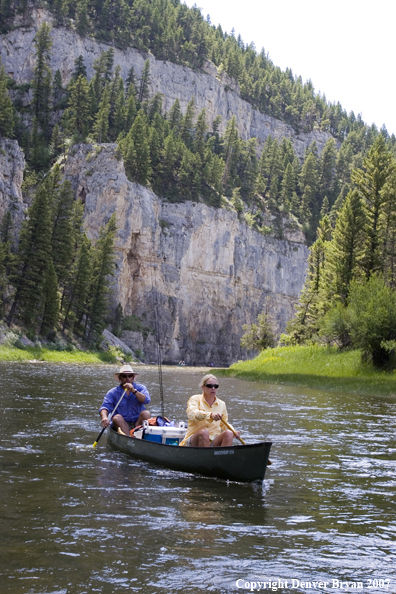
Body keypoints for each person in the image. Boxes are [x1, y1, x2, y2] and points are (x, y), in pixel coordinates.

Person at [179, 374, 240, 447]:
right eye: (209, 386)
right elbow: (192, 414)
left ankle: (223, 457)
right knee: (204, 432)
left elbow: (224, 423)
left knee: (229, 433)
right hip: (194, 441)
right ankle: (207, 457)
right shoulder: (194, 399)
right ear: (203, 387)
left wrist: (234, 431)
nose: (213, 388)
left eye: (216, 386)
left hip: (213, 441)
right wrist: (210, 415)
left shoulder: (222, 404)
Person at [99, 365, 150, 435]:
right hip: (122, 423)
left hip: (137, 422)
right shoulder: (113, 392)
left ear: (133, 377)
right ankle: (129, 438)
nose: (127, 378)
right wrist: (104, 417)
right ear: (120, 378)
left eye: (130, 376)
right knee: (116, 418)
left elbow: (146, 400)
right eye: (124, 376)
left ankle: (142, 436)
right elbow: (105, 407)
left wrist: (134, 391)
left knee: (146, 413)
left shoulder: (141, 388)